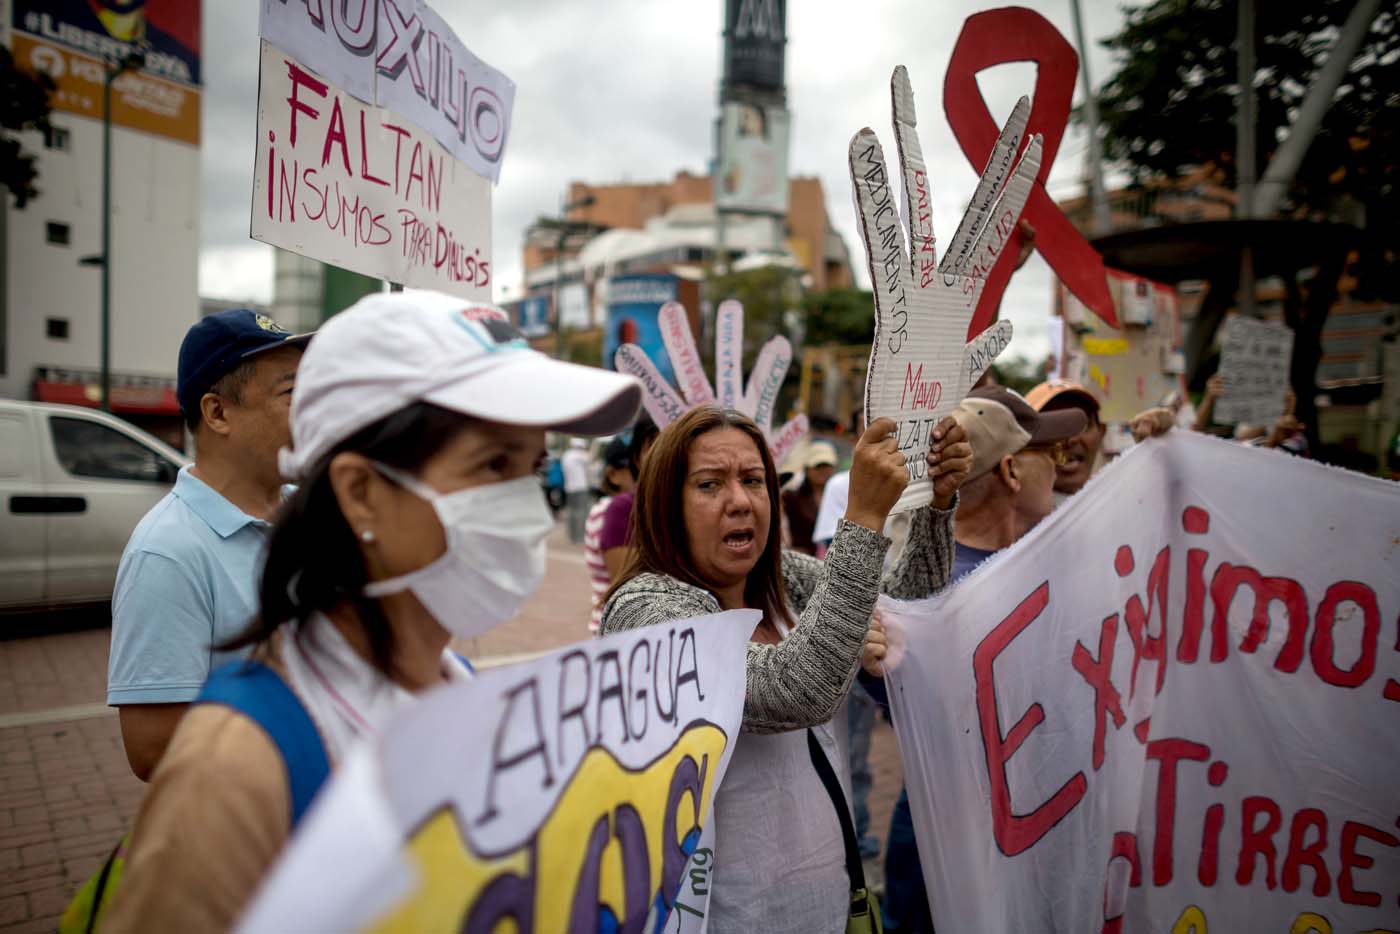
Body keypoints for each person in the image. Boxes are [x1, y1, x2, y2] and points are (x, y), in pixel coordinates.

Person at [102, 292, 641, 931]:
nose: (526, 508)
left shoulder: (459, 689)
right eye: (492, 464)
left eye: (533, 468)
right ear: (360, 493)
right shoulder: (237, 769)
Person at [600, 405, 972, 933]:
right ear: (666, 505)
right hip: (725, 917)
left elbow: (909, 603)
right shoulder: (646, 609)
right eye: (709, 485)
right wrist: (863, 519)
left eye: (753, 480)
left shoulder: (782, 578)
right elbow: (796, 689)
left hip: (827, 903)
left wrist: (935, 503)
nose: (739, 502)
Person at [880, 385, 1086, 933]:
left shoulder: (1050, 557)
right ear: (1011, 471)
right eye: (1054, 456)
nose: (1065, 470)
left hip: (1018, 825)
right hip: (959, 841)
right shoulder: (927, 592)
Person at [107, 309, 309, 781]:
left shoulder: (311, 513)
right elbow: (153, 748)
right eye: (292, 393)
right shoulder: (167, 553)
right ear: (218, 413)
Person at [596, 414, 659, 581]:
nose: (670, 455)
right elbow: (628, 586)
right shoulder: (623, 508)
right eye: (657, 445)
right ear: (637, 458)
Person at [582, 436, 633, 633]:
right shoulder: (609, 511)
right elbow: (626, 581)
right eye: (635, 470)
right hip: (617, 629)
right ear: (613, 475)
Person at [781, 440, 838, 555]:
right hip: (801, 559)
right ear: (807, 469)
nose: (822, 471)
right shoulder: (791, 497)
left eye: (826, 465)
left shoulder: (841, 495)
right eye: (817, 466)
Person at [561, 437, 592, 543]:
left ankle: (572, 535)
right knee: (581, 513)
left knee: (571, 512)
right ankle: (579, 537)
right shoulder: (580, 455)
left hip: (569, 488)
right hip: (580, 488)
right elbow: (590, 459)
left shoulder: (566, 455)